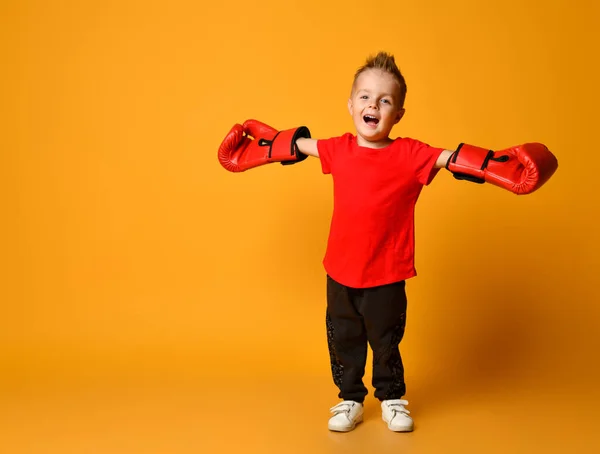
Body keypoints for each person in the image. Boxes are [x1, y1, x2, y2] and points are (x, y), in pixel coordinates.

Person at [217, 52, 558, 433]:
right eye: (364, 97)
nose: (373, 105)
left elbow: (453, 160)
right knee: (344, 338)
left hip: (387, 272)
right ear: (350, 105)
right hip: (340, 271)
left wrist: (499, 165)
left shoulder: (411, 154)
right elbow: (301, 146)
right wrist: (260, 147)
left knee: (385, 340)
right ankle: (349, 399)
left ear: (398, 114)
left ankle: (392, 397)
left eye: (384, 100)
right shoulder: (339, 148)